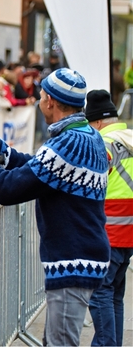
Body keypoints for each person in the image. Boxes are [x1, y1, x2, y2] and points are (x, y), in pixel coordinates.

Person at [0, 68, 110, 346]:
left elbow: (9, 189)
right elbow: (35, 168)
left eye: (41, 96)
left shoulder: (68, 144)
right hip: (81, 258)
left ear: (51, 101)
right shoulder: (85, 135)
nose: (39, 101)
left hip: (73, 262)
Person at [85, 89, 133, 347]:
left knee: (100, 294)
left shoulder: (103, 143)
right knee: (115, 294)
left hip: (110, 231)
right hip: (130, 234)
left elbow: (90, 182)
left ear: (99, 122)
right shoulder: (130, 138)